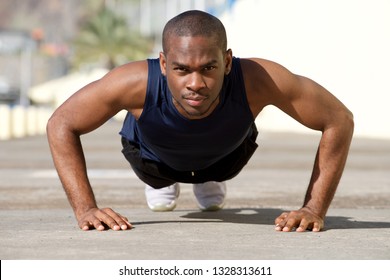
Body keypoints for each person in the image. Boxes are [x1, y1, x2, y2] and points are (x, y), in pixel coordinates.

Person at [46, 10, 354, 232]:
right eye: (181, 70)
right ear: (164, 64)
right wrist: (85, 208)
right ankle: (166, 183)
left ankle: (207, 178)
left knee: (215, 173)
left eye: (209, 68)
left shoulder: (259, 80)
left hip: (225, 158)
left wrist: (314, 208)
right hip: (154, 161)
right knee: (161, 193)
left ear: (228, 61)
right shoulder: (133, 81)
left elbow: (339, 119)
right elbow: (61, 123)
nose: (196, 83)